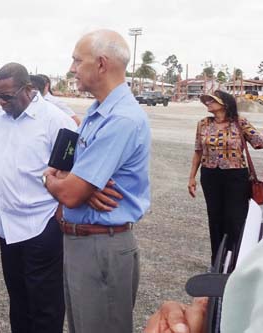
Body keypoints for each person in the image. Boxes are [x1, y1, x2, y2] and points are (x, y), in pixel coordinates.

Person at [44, 29, 151, 333]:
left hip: (100, 246)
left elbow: (69, 192)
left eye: (78, 60)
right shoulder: (97, 112)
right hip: (84, 242)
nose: (72, 68)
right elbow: (69, 180)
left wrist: (54, 180)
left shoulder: (120, 119)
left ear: (102, 64)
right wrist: (69, 182)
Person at [0, 63, 75, 332]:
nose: (1, 102)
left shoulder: (55, 120)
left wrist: (61, 210)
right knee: (18, 297)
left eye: (7, 97)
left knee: (44, 302)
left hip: (41, 223)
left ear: (28, 89)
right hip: (6, 223)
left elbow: (72, 170)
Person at [187, 90, 263, 265]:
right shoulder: (203, 124)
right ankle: (218, 261)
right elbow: (198, 151)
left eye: (211, 101)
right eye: (206, 101)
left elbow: (258, 142)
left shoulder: (239, 122)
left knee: (235, 219)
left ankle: (237, 262)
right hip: (210, 176)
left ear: (225, 104)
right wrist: (191, 178)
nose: (208, 103)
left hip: (236, 177)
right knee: (215, 218)